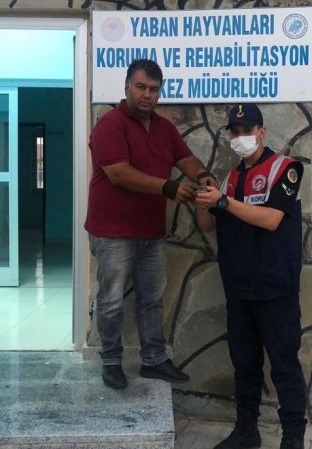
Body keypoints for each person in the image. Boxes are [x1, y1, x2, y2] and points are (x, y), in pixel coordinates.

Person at [85, 58, 217, 390]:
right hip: (113, 233)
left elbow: (186, 159)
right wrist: (168, 187)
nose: (147, 94)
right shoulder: (110, 125)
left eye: (154, 89)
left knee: (152, 299)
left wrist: (203, 175)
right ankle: (111, 362)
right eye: (141, 87)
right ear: (127, 87)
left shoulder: (164, 128)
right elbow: (118, 174)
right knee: (111, 300)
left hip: (150, 232)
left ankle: (154, 360)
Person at [194, 103, 308, 449]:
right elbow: (208, 226)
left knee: (284, 367)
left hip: (275, 289)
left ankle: (293, 443)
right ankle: (247, 431)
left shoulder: (286, 168)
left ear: (262, 132)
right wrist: (201, 199)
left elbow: (272, 220)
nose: (241, 137)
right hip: (239, 289)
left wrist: (224, 202)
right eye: (235, 131)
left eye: (248, 130)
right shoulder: (229, 178)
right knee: (244, 365)